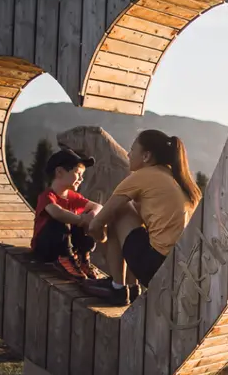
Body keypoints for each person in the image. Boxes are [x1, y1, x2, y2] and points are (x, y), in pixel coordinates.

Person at [84, 129, 201, 305]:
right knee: (133, 211)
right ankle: (131, 287)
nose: (128, 154)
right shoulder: (175, 178)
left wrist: (99, 235)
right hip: (176, 269)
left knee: (120, 210)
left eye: (132, 150)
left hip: (155, 267)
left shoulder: (143, 176)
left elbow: (97, 224)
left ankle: (117, 288)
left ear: (146, 156)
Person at [30, 148, 105, 280]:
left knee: (84, 219)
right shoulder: (47, 196)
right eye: (78, 173)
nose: (81, 179)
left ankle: (82, 258)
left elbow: (98, 206)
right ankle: (64, 259)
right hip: (45, 249)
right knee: (61, 220)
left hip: (69, 247)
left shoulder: (73, 196)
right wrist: (81, 220)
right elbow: (57, 212)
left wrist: (91, 215)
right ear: (59, 172)